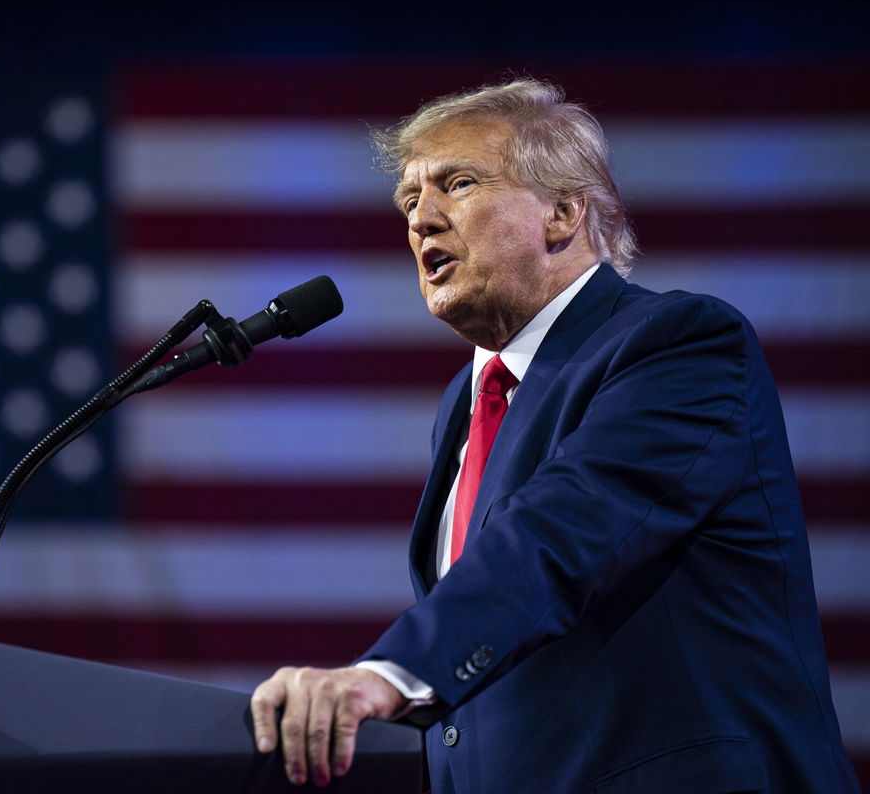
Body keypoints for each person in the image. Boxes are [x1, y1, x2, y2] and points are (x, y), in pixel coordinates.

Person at [250, 78, 858, 793]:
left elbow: (564, 527)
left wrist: (391, 673)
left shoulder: (679, 343)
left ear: (563, 213)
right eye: (409, 201)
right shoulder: (465, 403)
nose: (422, 220)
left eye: (459, 183)